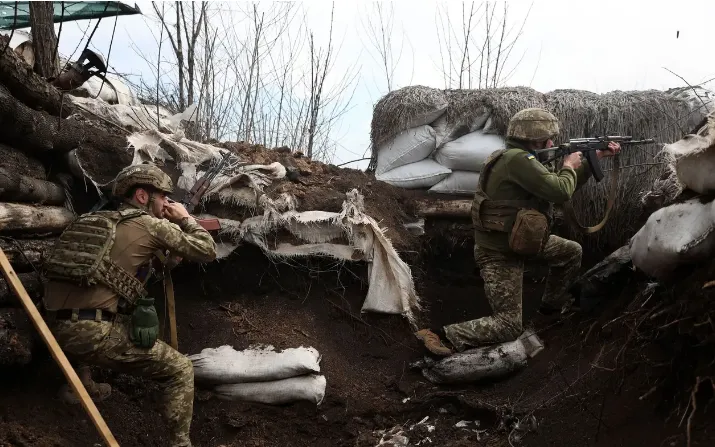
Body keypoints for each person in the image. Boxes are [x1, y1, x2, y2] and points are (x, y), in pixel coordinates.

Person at [416, 108, 621, 356]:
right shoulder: (517, 161)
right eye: (547, 138)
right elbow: (560, 191)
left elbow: (555, 186)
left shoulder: (525, 160)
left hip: (523, 241)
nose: (552, 143)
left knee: (570, 252)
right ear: (533, 138)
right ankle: (441, 334)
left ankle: (548, 310)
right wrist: (568, 165)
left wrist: (592, 161)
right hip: (499, 252)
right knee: (509, 325)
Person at [42, 163, 217, 447]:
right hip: (91, 334)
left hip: (52, 328)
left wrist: (168, 260)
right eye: (163, 197)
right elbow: (207, 250)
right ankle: (180, 443)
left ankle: (81, 382)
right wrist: (185, 218)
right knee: (181, 368)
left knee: (123, 318)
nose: (166, 204)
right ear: (142, 196)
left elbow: (121, 275)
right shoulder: (151, 225)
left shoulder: (95, 221)